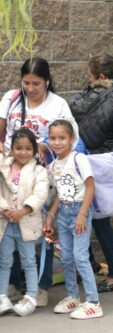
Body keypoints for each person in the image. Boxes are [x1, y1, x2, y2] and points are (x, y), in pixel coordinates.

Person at [0, 57, 79, 307]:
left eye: (36, 83)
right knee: (9, 229)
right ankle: (12, 284)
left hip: (42, 176)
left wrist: (47, 144)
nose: (31, 89)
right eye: (26, 83)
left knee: (41, 230)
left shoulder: (58, 104)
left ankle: (41, 286)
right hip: (11, 177)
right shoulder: (12, 98)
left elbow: (72, 136)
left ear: (47, 81)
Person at [68, 54, 113, 292]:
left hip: (94, 162)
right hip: (110, 161)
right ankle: (92, 265)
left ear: (100, 77)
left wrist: (88, 88)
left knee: (97, 220)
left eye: (89, 76)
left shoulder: (93, 98)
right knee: (93, 218)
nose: (88, 80)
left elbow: (73, 106)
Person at [44, 120, 103, 319]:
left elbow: (90, 187)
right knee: (67, 257)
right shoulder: (53, 165)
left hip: (80, 211)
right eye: (53, 138)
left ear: (71, 139)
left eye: (62, 137)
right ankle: (73, 296)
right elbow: (60, 195)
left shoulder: (79, 159)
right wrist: (51, 215)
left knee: (80, 257)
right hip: (64, 214)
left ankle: (94, 303)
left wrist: (81, 215)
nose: (57, 142)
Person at [0, 128, 49, 316]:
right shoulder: (4, 166)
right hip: (5, 222)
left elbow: (40, 195)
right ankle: (2, 295)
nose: (23, 152)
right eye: (18, 148)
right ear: (11, 148)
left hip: (27, 223)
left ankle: (31, 296)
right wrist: (4, 208)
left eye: (28, 149)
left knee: (29, 261)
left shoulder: (39, 171)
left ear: (35, 150)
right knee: (4, 261)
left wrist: (24, 210)